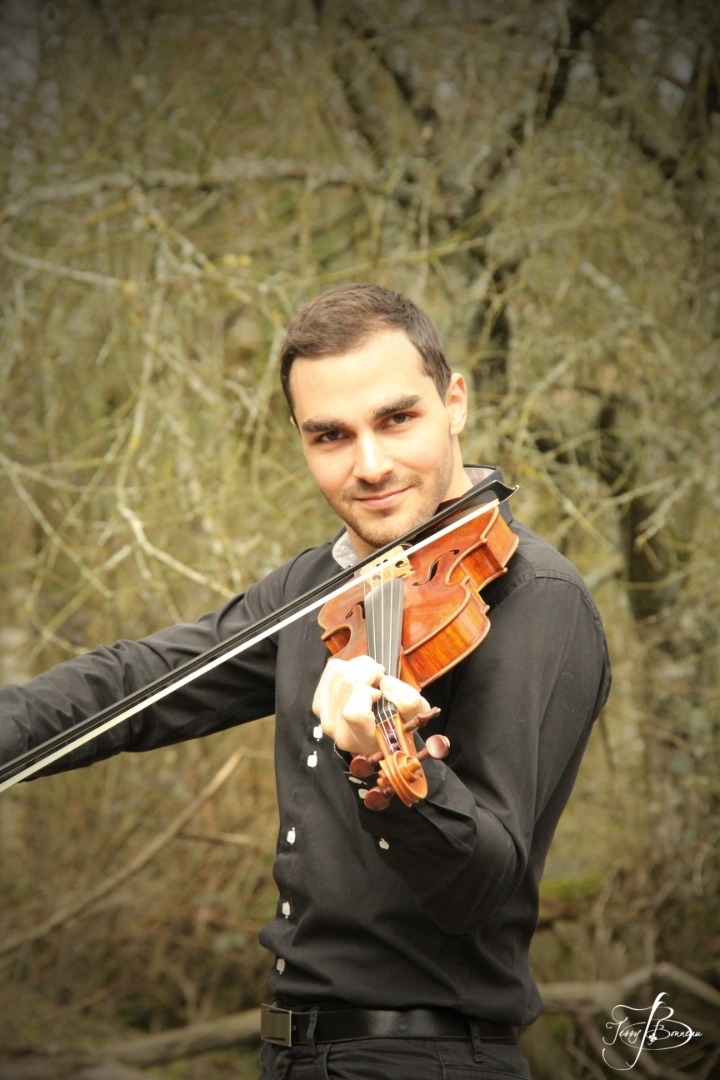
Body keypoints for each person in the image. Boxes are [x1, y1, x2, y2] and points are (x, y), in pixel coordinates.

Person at [0, 283, 611, 1079]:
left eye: (398, 419)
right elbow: (140, 681)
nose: (371, 464)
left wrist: (392, 770)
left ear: (454, 402)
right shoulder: (323, 590)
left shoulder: (534, 599)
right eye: (331, 435)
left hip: (425, 1058)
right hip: (293, 1054)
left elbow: (482, 888)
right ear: (300, 439)